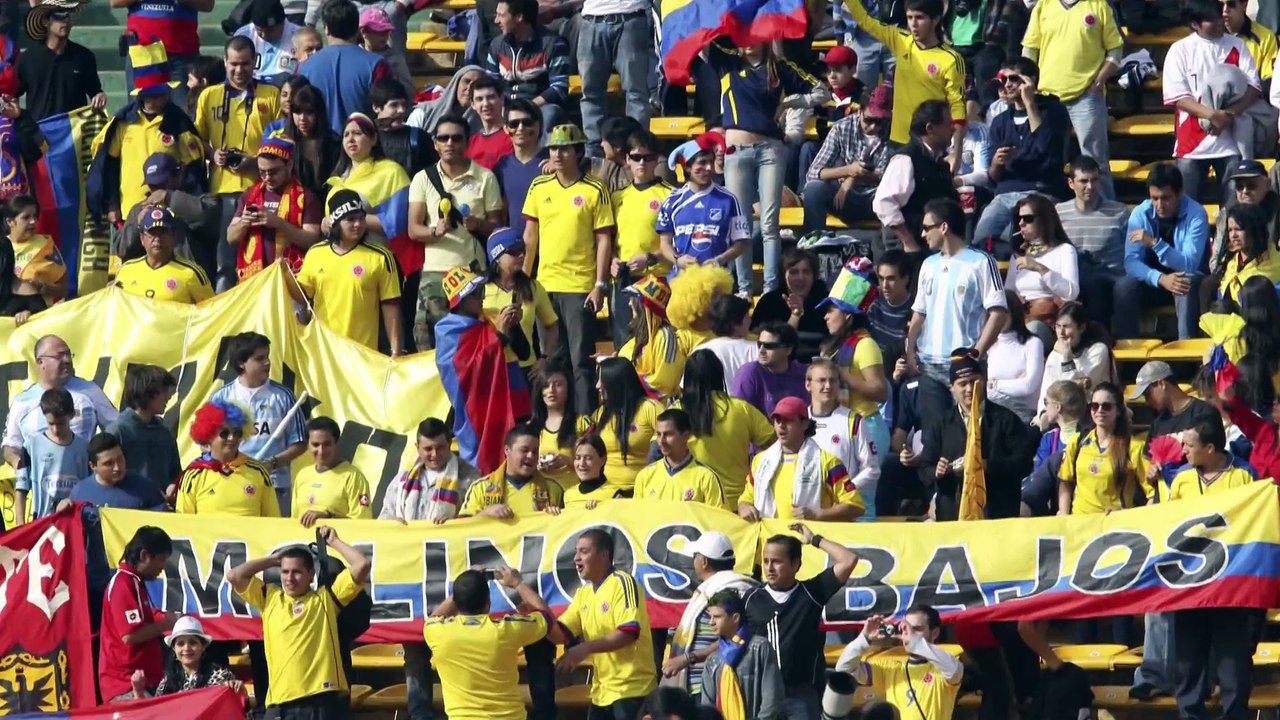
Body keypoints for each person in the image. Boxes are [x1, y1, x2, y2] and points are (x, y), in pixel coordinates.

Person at [705, 39, 826, 295]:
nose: (749, 41)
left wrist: (789, 103)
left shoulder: (778, 67)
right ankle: (745, 288)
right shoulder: (728, 61)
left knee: (770, 223)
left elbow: (822, 91)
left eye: (755, 34)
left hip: (770, 149)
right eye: (745, 34)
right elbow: (704, 39)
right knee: (742, 223)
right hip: (735, 151)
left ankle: (771, 288)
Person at [1167, 416, 1261, 720]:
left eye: (1189, 445)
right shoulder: (1180, 479)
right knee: (1187, 665)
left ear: (1210, 448)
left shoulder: (1244, 477)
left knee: (1233, 667)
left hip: (1230, 589)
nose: (1183, 451)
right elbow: (1164, 525)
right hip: (1189, 587)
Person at [227, 525, 371, 716]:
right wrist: (272, 560)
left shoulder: (326, 599)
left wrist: (334, 541)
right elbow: (234, 575)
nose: (289, 578)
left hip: (321, 700)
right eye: (285, 571)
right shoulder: (269, 598)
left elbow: (361, 565)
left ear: (311, 574)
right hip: (280, 703)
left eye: (296, 572)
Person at [521, 123, 614, 412]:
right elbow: (530, 236)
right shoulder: (539, 185)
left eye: (564, 148)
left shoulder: (595, 189)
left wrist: (599, 285)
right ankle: (550, 422)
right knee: (548, 361)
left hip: (578, 287)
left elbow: (603, 240)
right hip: (544, 285)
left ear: (578, 151)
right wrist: (524, 278)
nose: (558, 154)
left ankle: (584, 421)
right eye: (553, 148)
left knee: (580, 361)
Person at [905, 198, 1007, 424]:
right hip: (929, 364)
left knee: (969, 434)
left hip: (963, 364)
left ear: (943, 227)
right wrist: (910, 348)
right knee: (934, 436)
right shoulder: (928, 264)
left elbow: (999, 312)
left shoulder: (981, 261)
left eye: (926, 227)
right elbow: (919, 312)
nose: (922, 234)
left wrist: (977, 352)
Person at [86, 41, 206, 231]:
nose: (161, 99)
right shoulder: (122, 123)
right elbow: (108, 166)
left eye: (163, 94)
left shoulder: (178, 122)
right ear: (142, 96)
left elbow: (193, 170)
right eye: (154, 95)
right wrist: (112, 205)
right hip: (130, 213)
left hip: (169, 215)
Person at [407, 114, 503, 351]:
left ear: (466, 141)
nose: (449, 143)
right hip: (434, 272)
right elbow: (413, 229)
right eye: (443, 138)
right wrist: (434, 230)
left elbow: (497, 225)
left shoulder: (485, 177)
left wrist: (478, 225)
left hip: (471, 270)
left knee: (471, 340)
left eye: (456, 138)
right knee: (429, 341)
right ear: (435, 143)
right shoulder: (422, 178)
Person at [194, 35, 282, 291]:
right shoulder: (208, 96)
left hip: (262, 188)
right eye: (233, 64)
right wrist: (214, 155)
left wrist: (255, 162)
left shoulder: (271, 94)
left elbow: (283, 141)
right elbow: (197, 141)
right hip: (221, 190)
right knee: (225, 262)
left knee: (262, 259)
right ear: (224, 62)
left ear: (255, 62)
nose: (239, 69)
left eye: (245, 63)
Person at [743, 525, 858, 720]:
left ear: (796, 564)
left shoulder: (812, 592)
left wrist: (815, 539)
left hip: (801, 697)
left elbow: (849, 559)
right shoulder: (751, 598)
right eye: (766, 561)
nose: (769, 568)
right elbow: (736, 639)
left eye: (777, 562)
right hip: (761, 694)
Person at [424, 566, 566, 720]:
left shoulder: (436, 631)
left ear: (457, 602)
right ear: (488, 602)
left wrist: (464, 586)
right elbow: (546, 617)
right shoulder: (506, 629)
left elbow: (435, 616)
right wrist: (518, 583)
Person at [916, 349, 1035, 520]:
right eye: (962, 383)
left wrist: (986, 465)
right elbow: (924, 468)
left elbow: (1024, 463)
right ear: (952, 388)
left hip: (999, 516)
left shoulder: (1006, 419)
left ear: (984, 381)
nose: (969, 389)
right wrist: (937, 471)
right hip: (953, 517)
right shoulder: (941, 424)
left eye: (974, 381)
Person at [1020, 0, 1123, 197]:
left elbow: (1116, 50)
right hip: (1047, 95)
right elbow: (1030, 48)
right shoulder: (1044, 5)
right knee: (1049, 158)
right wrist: (1028, 81)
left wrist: (1099, 81)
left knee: (1095, 159)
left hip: (1086, 95)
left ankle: (1107, 214)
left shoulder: (1099, 5)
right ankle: (1052, 210)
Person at [553, 528, 658, 718]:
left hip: (632, 690)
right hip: (601, 693)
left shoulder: (622, 583)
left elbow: (628, 633)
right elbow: (559, 633)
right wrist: (526, 594)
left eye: (584, 551)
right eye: (576, 552)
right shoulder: (582, 594)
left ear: (604, 555)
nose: (576, 558)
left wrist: (584, 648)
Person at [1163, 0, 1261, 202]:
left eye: (1219, 17)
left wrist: (1228, 114)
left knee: (1233, 207)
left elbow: (1253, 88)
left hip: (1231, 141)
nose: (1219, 23)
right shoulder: (1179, 50)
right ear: (1194, 24)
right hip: (1191, 143)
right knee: (1187, 208)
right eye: (1211, 20)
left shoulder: (1237, 45)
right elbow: (1178, 97)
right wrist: (1211, 115)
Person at [288, 189, 403, 354]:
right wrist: (284, 274)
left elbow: (390, 304)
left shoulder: (381, 256)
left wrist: (395, 349)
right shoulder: (315, 253)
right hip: (324, 351)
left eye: (361, 218)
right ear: (335, 221)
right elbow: (302, 295)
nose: (358, 224)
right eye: (351, 220)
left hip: (362, 353)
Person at [973, 58, 1073, 247]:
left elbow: (1045, 148)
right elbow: (993, 177)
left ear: (1030, 81)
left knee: (1015, 240)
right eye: (1003, 80)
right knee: (981, 241)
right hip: (1004, 194)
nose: (1007, 85)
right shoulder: (999, 121)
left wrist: (1030, 103)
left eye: (1013, 79)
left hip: (1041, 191)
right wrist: (996, 163)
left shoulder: (1054, 110)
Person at [68, 433, 168, 622]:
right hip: (95, 584)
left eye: (120, 459)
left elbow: (160, 533)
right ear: (93, 466)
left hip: (137, 586)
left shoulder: (146, 489)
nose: (117, 467)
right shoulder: (79, 493)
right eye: (108, 463)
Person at [209, 332, 306, 513]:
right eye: (260, 358)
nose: (267, 362)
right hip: (232, 482)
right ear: (241, 363)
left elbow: (300, 443)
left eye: (267, 356)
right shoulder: (221, 397)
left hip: (274, 484)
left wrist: (273, 463)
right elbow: (206, 443)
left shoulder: (283, 396)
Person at [1116, 163, 1209, 340]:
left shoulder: (1196, 214)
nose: (1159, 205)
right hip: (1154, 281)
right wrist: (1160, 279)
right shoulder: (1140, 213)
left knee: (1184, 282)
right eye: (1154, 198)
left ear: (1179, 193)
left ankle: (1186, 349)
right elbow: (1131, 262)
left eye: (1165, 198)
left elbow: (1189, 264)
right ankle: (1128, 350)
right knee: (1124, 286)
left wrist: (1153, 243)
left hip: (1187, 280)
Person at [661, 531, 757, 696]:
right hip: (705, 683)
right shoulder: (713, 588)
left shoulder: (729, 589)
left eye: (695, 556)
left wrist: (688, 658)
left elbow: (738, 637)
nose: (693, 561)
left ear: (704, 561)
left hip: (716, 685)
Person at [738, 396, 862, 521]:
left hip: (808, 539)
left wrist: (818, 515)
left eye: (788, 420)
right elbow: (745, 499)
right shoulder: (760, 461)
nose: (781, 425)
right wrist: (744, 507)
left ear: (804, 424)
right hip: (769, 538)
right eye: (777, 420)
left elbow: (855, 506)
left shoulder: (828, 462)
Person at [3, 335, 117, 471]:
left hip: (85, 484)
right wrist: (23, 467)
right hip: (42, 487)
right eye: (60, 356)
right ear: (40, 362)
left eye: (69, 355)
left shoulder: (89, 390)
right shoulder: (22, 402)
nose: (67, 360)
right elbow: (10, 446)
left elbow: (117, 427)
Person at [679, 350, 775, 506]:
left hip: (691, 503)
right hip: (736, 506)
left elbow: (656, 452)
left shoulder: (676, 412)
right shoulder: (742, 408)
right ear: (719, 374)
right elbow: (776, 445)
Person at [835, 606, 964, 720]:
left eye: (917, 629)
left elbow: (955, 670)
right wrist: (864, 639)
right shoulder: (891, 668)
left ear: (935, 633)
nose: (909, 634)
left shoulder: (942, 667)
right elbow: (844, 669)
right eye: (906, 629)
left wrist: (915, 642)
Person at [816, 259, 890, 454]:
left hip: (866, 428)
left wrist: (841, 373)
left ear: (848, 315)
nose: (826, 317)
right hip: (841, 426)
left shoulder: (865, 345)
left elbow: (881, 392)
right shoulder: (833, 345)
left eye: (831, 310)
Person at [226, 134, 322, 282]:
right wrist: (244, 222)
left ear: (289, 166)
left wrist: (278, 223)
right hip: (254, 280)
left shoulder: (306, 197)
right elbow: (231, 237)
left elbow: (312, 240)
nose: (267, 177)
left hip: (290, 278)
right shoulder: (250, 195)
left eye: (273, 172)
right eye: (262, 172)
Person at [802, 83, 896, 235]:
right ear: (859, 111)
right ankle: (812, 246)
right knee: (813, 189)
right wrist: (848, 170)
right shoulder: (842, 128)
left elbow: (886, 177)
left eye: (879, 122)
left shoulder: (892, 131)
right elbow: (813, 172)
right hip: (845, 198)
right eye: (869, 120)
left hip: (877, 197)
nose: (873, 127)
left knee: (896, 194)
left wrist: (853, 178)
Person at [99, 526, 179, 702]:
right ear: (144, 555)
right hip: (124, 685)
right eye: (161, 560)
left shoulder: (134, 582)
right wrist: (165, 624)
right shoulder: (123, 584)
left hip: (140, 683)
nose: (163, 567)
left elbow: (141, 619)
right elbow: (130, 635)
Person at [610, 131, 675, 348]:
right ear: (627, 159)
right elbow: (606, 240)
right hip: (624, 279)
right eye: (636, 157)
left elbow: (680, 243)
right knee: (625, 343)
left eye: (648, 157)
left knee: (657, 342)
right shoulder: (617, 197)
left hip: (657, 279)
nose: (642, 163)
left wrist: (651, 258)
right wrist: (611, 260)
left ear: (657, 160)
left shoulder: (670, 195)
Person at [657, 132, 750, 280]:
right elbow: (664, 245)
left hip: (718, 281)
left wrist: (720, 259)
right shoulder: (672, 201)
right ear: (687, 167)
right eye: (701, 163)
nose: (708, 168)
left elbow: (742, 242)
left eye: (710, 162)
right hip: (681, 282)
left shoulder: (729, 199)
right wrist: (678, 260)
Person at [873, 101, 960, 258]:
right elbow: (884, 204)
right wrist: (908, 242)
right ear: (930, 128)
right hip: (908, 252)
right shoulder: (906, 159)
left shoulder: (939, 161)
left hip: (934, 247)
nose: (953, 129)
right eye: (948, 124)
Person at [1056, 156, 1129, 330]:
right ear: (1071, 183)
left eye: (1095, 180)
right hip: (1075, 279)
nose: (1090, 186)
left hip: (1111, 278)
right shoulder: (1059, 213)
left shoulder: (1119, 212)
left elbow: (1133, 252)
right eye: (1083, 181)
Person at [296, 0, 391, 134]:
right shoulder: (377, 64)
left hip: (317, 147)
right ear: (356, 28)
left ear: (326, 28)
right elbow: (386, 111)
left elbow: (295, 111)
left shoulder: (302, 68)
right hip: (363, 147)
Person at [176, 398, 280, 517]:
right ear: (209, 435)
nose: (231, 438)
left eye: (237, 433)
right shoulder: (193, 476)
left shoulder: (259, 472)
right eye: (224, 433)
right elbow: (183, 524)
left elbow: (273, 519)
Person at [806, 358, 881, 521]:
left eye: (833, 381)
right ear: (808, 385)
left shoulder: (853, 421)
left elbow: (872, 469)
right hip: (806, 510)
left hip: (840, 513)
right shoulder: (799, 420)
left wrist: (846, 490)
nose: (828, 386)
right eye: (821, 380)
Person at [1058, 382, 1150, 515]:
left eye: (1106, 406)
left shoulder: (1133, 447)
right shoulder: (1077, 442)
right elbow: (1065, 482)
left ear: (1118, 410)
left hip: (1111, 528)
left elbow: (1152, 494)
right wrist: (1064, 514)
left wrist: (1126, 514)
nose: (1099, 411)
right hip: (1078, 525)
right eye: (1095, 406)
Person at [579, 357, 663, 492]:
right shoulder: (600, 414)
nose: (597, 386)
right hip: (605, 493)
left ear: (616, 381)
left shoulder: (650, 408)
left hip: (640, 491)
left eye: (602, 380)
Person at [483, 228, 560, 375]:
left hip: (526, 368)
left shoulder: (533, 287)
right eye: (513, 251)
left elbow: (552, 326)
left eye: (522, 250)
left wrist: (545, 358)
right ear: (496, 256)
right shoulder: (481, 290)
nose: (521, 255)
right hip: (493, 368)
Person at [699, 589, 784, 720]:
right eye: (710, 617)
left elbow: (771, 697)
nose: (711, 622)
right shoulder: (713, 659)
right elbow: (707, 705)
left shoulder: (759, 648)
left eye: (717, 617)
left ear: (735, 618)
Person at [114, 0, 211, 113]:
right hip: (142, 53)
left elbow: (208, 4)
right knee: (140, 113)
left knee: (185, 113)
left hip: (182, 53)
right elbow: (115, 2)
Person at [485, 0, 569, 131]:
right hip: (504, 107)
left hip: (539, 108)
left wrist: (527, 107)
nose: (496, 21)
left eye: (501, 15)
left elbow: (559, 88)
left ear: (519, 17)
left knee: (550, 113)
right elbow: (490, 84)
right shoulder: (497, 45)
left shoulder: (554, 45)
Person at [1004, 195, 1080, 340]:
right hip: (1021, 318)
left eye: (1028, 218)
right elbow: (1008, 292)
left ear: (1044, 220)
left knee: (1033, 329)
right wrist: (1015, 299)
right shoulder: (1017, 256)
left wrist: (1040, 268)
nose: (1021, 223)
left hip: (1051, 323)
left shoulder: (1065, 250)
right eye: (1018, 219)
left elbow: (1072, 293)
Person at [381, 417, 480, 524]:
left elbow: (477, 520)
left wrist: (454, 523)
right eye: (428, 449)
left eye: (440, 448)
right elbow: (385, 516)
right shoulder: (401, 481)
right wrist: (392, 523)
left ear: (450, 444)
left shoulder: (470, 479)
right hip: (405, 540)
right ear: (417, 448)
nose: (435, 454)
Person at [18, 0, 105, 121]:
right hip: (38, 134)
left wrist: (100, 96)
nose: (66, 20)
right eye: (59, 15)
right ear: (45, 21)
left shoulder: (84, 56)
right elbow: (12, 94)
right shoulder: (27, 59)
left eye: (69, 15)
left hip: (73, 134)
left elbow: (95, 91)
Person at [117, 152, 207, 266]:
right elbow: (122, 250)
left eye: (162, 183)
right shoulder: (138, 209)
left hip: (186, 275)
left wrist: (169, 198)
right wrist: (136, 225)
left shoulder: (194, 201)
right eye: (153, 185)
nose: (157, 190)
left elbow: (205, 217)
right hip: (152, 277)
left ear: (178, 176)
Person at [13, 388, 86, 524]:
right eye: (51, 423)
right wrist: (20, 523)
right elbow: (21, 488)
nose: (55, 429)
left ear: (71, 415)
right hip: (42, 524)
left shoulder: (84, 448)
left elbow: (90, 487)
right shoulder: (31, 446)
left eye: (60, 423)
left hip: (74, 525)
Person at [459, 423, 564, 517]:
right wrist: (485, 513)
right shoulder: (481, 488)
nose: (531, 456)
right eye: (524, 450)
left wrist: (555, 516)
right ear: (507, 450)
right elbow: (462, 527)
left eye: (535, 452)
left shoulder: (553, 489)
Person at [107, 365, 180, 499]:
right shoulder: (117, 431)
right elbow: (103, 477)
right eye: (163, 390)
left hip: (160, 510)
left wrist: (172, 486)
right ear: (147, 392)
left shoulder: (165, 433)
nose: (169, 396)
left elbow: (175, 474)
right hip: (125, 510)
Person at [116, 207, 214, 303]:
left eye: (163, 233)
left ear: (173, 237)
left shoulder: (191, 273)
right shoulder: (126, 270)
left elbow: (210, 311)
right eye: (152, 233)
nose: (157, 239)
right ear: (142, 239)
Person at [1036, 300, 1115, 417]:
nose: (1061, 333)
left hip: (1091, 414)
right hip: (1058, 416)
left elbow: (1074, 389)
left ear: (1081, 328)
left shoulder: (1098, 350)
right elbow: (1046, 389)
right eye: (1058, 326)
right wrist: (1042, 414)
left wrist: (1067, 357)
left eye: (1066, 327)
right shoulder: (1055, 354)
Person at [634, 409, 725, 508]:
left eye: (668, 434)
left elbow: (719, 520)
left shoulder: (707, 478)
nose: (661, 441)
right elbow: (637, 517)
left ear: (686, 436)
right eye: (659, 434)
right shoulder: (645, 476)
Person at [750, 250, 829, 362]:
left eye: (806, 272)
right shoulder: (769, 303)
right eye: (794, 272)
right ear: (784, 275)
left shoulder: (826, 301)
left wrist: (831, 341)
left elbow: (844, 330)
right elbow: (772, 345)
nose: (800, 277)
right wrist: (795, 315)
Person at [292, 416, 373, 526]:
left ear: (337, 443)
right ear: (308, 445)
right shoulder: (302, 475)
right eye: (315, 445)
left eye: (326, 444)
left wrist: (328, 516)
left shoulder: (354, 477)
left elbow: (363, 523)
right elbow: (293, 521)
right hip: (303, 542)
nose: (321, 451)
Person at [618, 274, 686, 401]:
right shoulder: (635, 339)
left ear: (645, 308)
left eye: (634, 298)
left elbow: (664, 383)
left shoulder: (665, 336)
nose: (629, 303)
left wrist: (629, 379)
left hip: (658, 410)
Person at [141, 616, 241, 698]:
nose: (186, 648)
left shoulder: (222, 676)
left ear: (203, 647)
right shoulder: (168, 681)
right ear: (174, 650)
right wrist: (138, 690)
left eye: (193, 643)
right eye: (180, 644)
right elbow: (156, 711)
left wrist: (239, 690)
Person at [2, 194, 65, 320]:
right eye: (26, 217)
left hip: (38, 317)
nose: (33, 221)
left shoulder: (45, 246)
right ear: (10, 221)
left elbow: (63, 289)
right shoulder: (2, 246)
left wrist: (43, 288)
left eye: (35, 216)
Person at [985, 292, 1045, 424]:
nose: (999, 318)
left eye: (1004, 313)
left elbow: (1028, 386)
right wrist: (1013, 384)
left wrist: (993, 384)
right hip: (992, 410)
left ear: (1014, 313)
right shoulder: (988, 345)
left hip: (1022, 413)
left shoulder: (1033, 343)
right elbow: (982, 389)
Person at [731, 323, 810, 417]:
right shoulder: (750, 372)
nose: (761, 350)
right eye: (759, 344)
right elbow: (740, 414)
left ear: (788, 350)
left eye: (769, 346)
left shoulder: (805, 373)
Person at [493, 99, 546, 235]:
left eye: (527, 122)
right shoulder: (501, 167)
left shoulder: (554, 162)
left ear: (538, 125)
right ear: (505, 128)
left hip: (550, 249)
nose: (520, 128)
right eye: (514, 124)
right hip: (514, 248)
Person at [282, 85, 344, 197]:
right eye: (297, 112)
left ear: (318, 113)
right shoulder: (283, 142)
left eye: (309, 112)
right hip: (293, 205)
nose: (302, 118)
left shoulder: (334, 143)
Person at [1212, 203, 1280, 303]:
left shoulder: (1275, 263)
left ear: (1253, 230)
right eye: (1230, 230)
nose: (1233, 235)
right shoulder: (1230, 264)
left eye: (1238, 229)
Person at [369, 77, 433, 179]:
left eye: (403, 104)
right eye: (394, 105)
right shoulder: (365, 138)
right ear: (376, 107)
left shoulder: (420, 138)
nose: (401, 110)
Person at [529, 361, 578, 489]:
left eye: (558, 385)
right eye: (546, 386)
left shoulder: (582, 423)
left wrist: (567, 461)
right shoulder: (530, 428)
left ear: (568, 389)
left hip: (573, 493)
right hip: (542, 495)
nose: (551, 390)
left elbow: (595, 462)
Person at [866, 250, 914, 367]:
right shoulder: (872, 301)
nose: (884, 285)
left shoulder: (916, 310)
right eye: (881, 278)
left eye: (891, 279)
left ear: (906, 279)